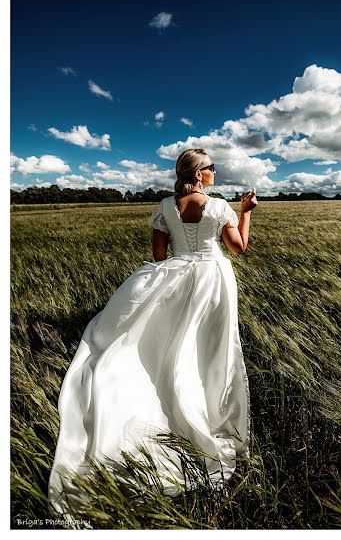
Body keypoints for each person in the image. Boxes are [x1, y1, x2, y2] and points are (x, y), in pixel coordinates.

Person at [48, 148, 257, 519]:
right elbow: (238, 249)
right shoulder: (221, 205)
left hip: (176, 279)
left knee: (174, 345)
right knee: (211, 348)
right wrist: (247, 214)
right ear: (198, 175)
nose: (214, 172)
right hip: (213, 280)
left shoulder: (164, 206)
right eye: (210, 168)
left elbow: (160, 258)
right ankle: (207, 409)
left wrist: (182, 260)